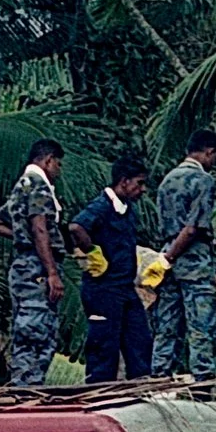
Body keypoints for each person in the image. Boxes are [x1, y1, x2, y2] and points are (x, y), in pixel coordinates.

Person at [66, 157, 154, 382]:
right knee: (104, 347)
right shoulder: (102, 206)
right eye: (139, 183)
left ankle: (139, 392)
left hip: (124, 287)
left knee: (139, 340)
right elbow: (76, 227)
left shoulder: (128, 210)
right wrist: (92, 251)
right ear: (124, 182)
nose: (142, 189)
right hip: (103, 289)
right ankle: (97, 395)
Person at [0, 140, 66, 386]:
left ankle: (24, 386)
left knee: (26, 331)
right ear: (48, 160)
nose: (58, 170)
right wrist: (52, 270)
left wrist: (23, 237)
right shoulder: (39, 186)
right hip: (37, 268)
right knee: (37, 334)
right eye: (58, 164)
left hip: (23, 265)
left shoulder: (20, 187)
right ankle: (28, 389)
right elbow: (40, 227)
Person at [153, 131, 216, 380]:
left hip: (167, 256)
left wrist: (166, 259)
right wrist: (173, 256)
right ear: (208, 152)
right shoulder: (203, 181)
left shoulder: (167, 180)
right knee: (202, 325)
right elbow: (193, 227)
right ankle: (202, 379)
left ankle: (159, 374)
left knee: (167, 322)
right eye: (214, 156)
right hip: (192, 259)